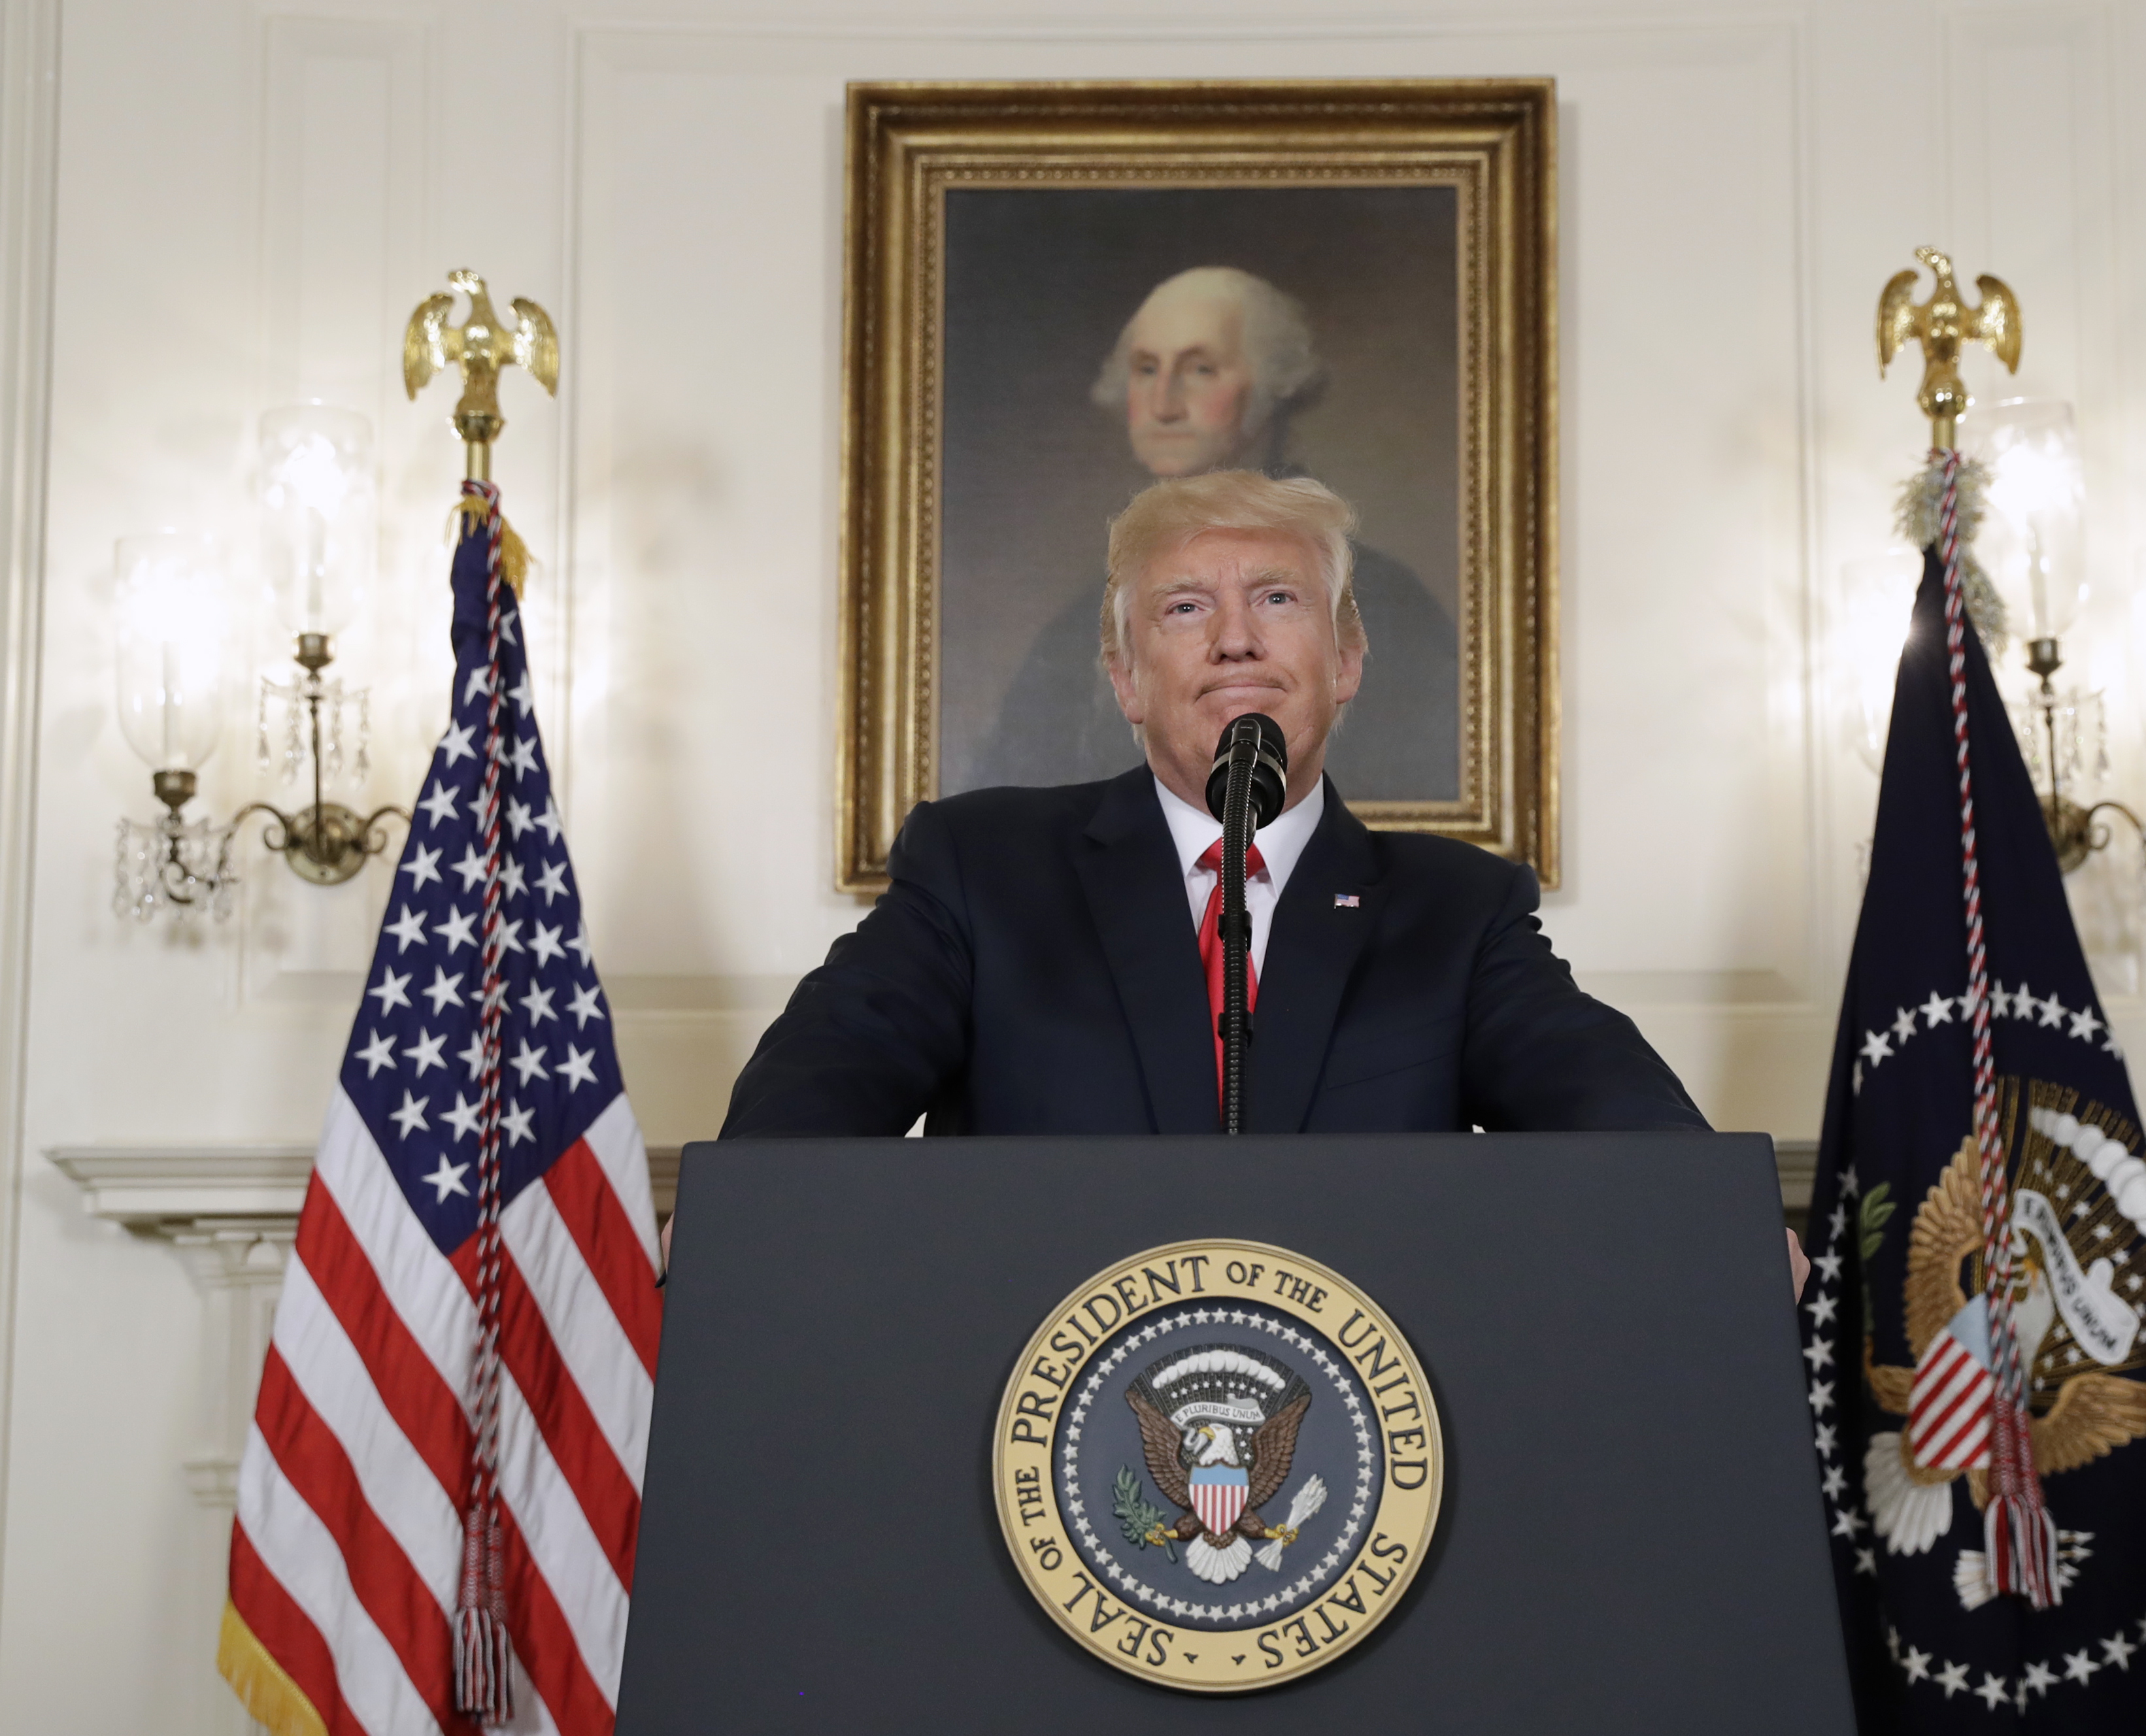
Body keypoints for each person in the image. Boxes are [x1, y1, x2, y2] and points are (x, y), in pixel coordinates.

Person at [716, 471, 1807, 1290]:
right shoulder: (981, 871)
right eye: (1184, 608)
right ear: (1125, 678)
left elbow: (1599, 1094)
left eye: (1278, 599)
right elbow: (837, 1060)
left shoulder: (1452, 913)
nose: (1235, 639)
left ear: (1345, 662)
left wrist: (1707, 1216)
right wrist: (747, 1210)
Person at [976, 267, 1458, 797]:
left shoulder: (1383, 603)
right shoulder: (1078, 626)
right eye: (1145, 369)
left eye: (1200, 369)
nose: (1164, 403)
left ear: (1275, 386)